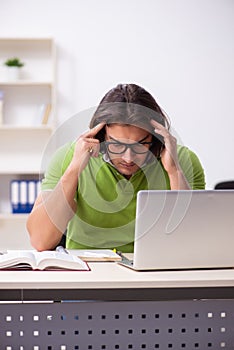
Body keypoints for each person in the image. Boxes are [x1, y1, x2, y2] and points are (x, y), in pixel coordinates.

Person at [27, 83, 205, 252]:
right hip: (90, 274)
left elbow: (195, 240)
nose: (128, 158)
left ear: (156, 139)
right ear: (101, 135)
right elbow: (40, 240)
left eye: (140, 145)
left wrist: (174, 171)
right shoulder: (68, 157)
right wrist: (73, 171)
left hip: (161, 272)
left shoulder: (182, 160)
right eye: (117, 145)